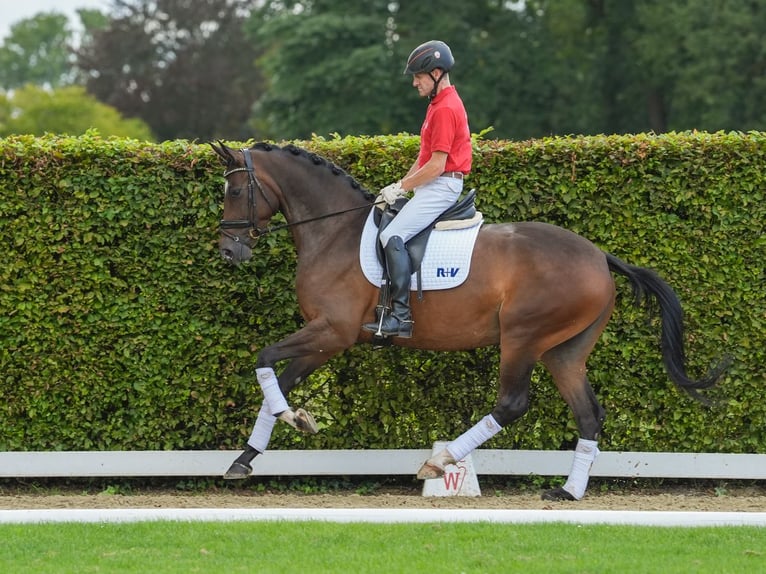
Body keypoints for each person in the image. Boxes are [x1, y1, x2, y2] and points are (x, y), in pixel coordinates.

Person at [362, 40, 472, 339]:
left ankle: (401, 316)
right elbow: (423, 160)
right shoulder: (436, 105)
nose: (414, 82)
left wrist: (401, 187)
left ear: (436, 73)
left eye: (418, 76)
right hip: (433, 184)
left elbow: (437, 166)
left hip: (443, 184)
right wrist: (397, 188)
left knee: (390, 235)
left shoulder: (446, 108)